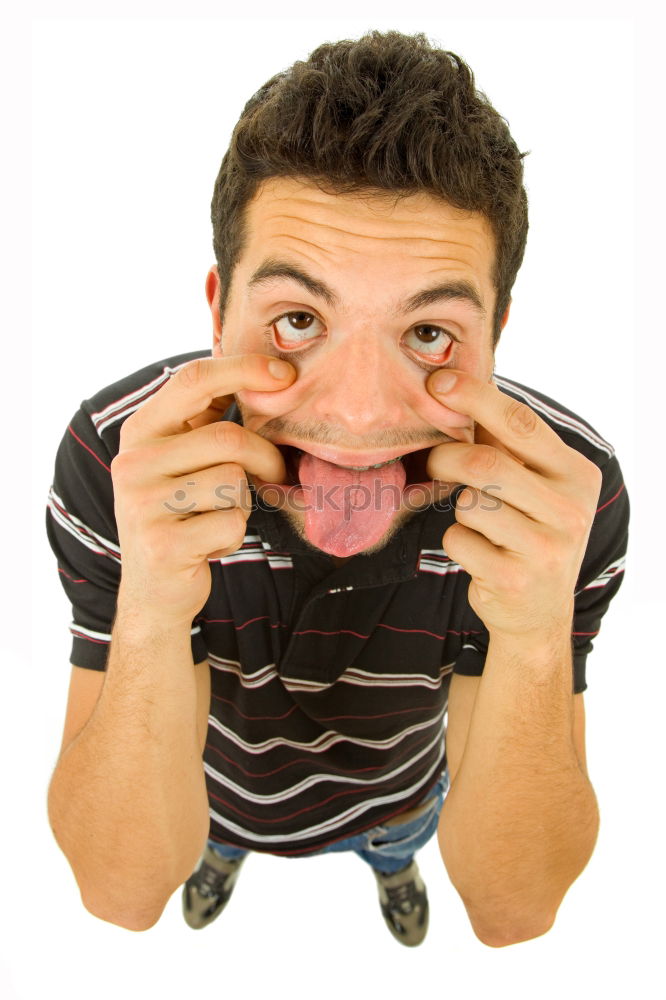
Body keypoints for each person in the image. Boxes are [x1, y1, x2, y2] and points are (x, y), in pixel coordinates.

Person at [45, 30, 629, 949]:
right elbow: (120, 892)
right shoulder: (118, 454)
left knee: (399, 842)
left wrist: (535, 633)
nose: (358, 417)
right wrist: (154, 604)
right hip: (208, 795)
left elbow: (514, 912)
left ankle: (394, 873)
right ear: (218, 310)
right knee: (208, 838)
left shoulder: (560, 494)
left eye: (430, 334)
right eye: (298, 320)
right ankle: (224, 858)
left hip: (401, 797)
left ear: (498, 330)